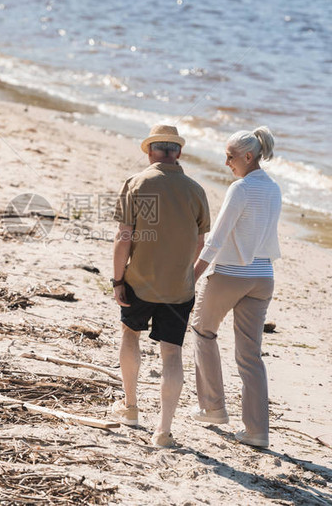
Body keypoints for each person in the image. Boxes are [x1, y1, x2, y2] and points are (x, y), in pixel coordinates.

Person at [110, 124, 210, 447]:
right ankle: (163, 432)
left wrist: (117, 280)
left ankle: (130, 408)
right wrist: (187, 274)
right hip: (179, 288)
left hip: (139, 282)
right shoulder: (196, 191)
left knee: (130, 335)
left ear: (150, 151)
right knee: (172, 354)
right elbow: (199, 243)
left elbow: (123, 238)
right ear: (177, 152)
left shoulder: (136, 184)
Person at [190, 126, 281, 449]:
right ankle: (257, 432)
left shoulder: (240, 188)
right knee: (250, 355)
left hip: (231, 274)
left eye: (230, 157)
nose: (226, 162)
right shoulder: (274, 188)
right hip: (263, 277)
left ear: (248, 156)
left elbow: (217, 237)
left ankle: (213, 408)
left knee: (203, 331)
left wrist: (195, 274)